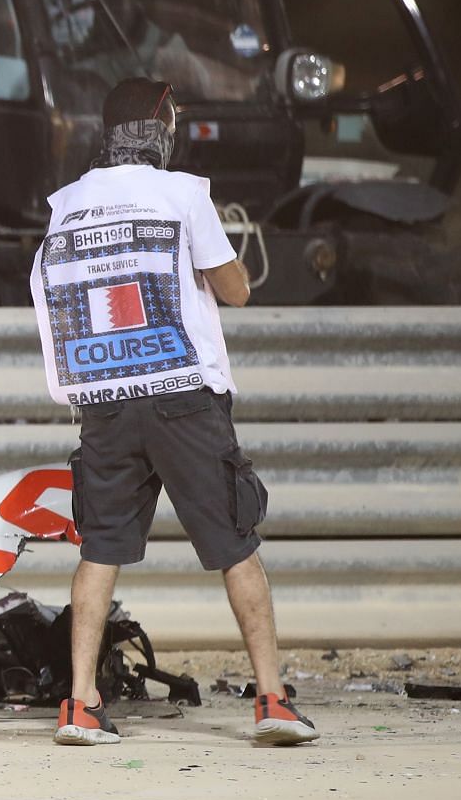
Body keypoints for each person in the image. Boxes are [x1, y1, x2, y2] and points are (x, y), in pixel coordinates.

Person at [28, 77, 317, 748]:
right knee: (235, 545)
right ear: (161, 131)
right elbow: (235, 291)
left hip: (102, 401)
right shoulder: (184, 193)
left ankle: (80, 703)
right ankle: (272, 699)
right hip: (182, 395)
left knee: (99, 549)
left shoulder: (66, 205)